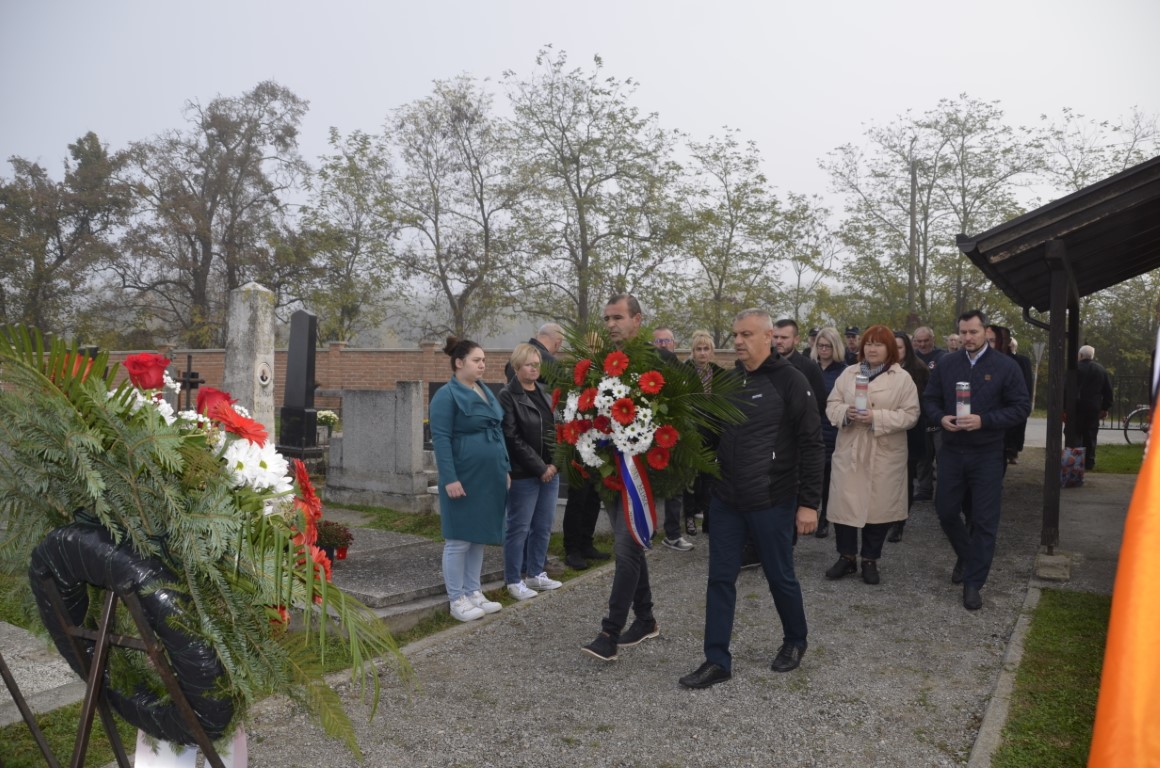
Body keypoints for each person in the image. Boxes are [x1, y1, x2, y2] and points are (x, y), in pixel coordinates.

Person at [678, 308, 823, 688]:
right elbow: (712, 435)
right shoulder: (729, 381)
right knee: (719, 579)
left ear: (768, 337)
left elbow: (812, 444)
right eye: (735, 335)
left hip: (772, 499)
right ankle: (716, 660)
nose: (738, 341)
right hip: (727, 500)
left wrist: (809, 503)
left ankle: (795, 640)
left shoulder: (791, 381)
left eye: (746, 334)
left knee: (780, 576)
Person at [581, 294, 678, 661]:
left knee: (625, 548)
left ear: (637, 319)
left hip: (644, 475)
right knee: (632, 547)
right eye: (607, 318)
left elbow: (678, 416)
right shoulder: (602, 364)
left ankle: (609, 632)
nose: (610, 324)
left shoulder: (661, 362)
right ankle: (647, 619)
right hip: (610, 473)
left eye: (617, 317)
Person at [922, 310, 1030, 611]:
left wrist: (985, 420)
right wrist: (940, 418)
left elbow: (1021, 407)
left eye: (973, 332)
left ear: (985, 332)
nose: (968, 338)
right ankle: (969, 557)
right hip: (952, 450)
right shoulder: (947, 364)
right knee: (945, 511)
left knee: (984, 520)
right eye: (963, 332)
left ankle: (973, 583)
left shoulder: (1005, 366)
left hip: (987, 452)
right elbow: (929, 399)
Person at [823, 325, 919, 585]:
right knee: (844, 505)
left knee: (878, 508)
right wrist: (846, 412)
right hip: (851, 448)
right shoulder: (848, 373)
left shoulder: (902, 378)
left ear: (890, 349)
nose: (872, 349)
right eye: (868, 343)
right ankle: (846, 557)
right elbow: (832, 403)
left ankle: (870, 559)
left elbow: (911, 415)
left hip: (883, 450)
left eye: (878, 344)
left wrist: (876, 417)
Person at [429, 337, 511, 622]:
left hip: (489, 476)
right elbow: (441, 439)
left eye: (484, 360)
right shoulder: (446, 396)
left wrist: (505, 468)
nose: (482, 365)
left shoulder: (483, 390)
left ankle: (473, 591)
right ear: (459, 362)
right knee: (459, 538)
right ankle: (457, 599)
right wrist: (449, 478)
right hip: (463, 476)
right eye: (477, 360)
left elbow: (497, 431)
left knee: (478, 537)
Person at [499, 343, 563, 601]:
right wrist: (539, 468)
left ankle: (535, 573)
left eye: (537, 365)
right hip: (525, 473)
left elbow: (559, 431)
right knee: (519, 528)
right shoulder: (508, 396)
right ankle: (513, 580)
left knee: (543, 525)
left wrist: (554, 465)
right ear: (516, 367)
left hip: (551, 472)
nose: (534, 369)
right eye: (528, 365)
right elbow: (512, 437)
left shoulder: (546, 393)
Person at [652, 326, 694, 551]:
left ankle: (673, 535)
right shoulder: (648, 368)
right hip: (652, 436)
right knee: (649, 486)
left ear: (674, 343)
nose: (663, 345)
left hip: (677, 434)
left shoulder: (684, 369)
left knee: (676, 487)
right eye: (659, 342)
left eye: (666, 341)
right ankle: (645, 534)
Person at [887, 331, 930, 543]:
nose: (895, 351)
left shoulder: (919, 369)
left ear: (907, 349)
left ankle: (899, 523)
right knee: (886, 478)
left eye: (899, 347)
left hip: (910, 432)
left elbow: (923, 402)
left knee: (905, 479)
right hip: (885, 430)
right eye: (892, 347)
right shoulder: (878, 367)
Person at [683, 329, 723, 537]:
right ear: (693, 351)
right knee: (691, 479)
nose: (702, 353)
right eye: (698, 349)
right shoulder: (684, 372)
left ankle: (709, 518)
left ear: (712, 351)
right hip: (691, 433)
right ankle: (689, 517)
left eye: (706, 348)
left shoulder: (719, 373)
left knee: (709, 479)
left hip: (712, 434)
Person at [809, 326, 847, 538]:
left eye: (828, 346)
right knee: (810, 475)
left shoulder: (844, 372)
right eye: (820, 345)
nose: (823, 349)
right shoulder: (809, 367)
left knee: (828, 476)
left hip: (832, 429)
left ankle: (825, 517)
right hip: (810, 428)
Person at [987, 325, 1034, 465]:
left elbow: (1026, 387)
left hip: (1010, 411)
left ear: (1008, 341)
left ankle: (1011, 452)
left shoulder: (1019, 362)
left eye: (1003, 338)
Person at [912, 326, 946, 502]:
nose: (923, 344)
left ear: (933, 339)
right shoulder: (911, 358)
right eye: (919, 341)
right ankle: (924, 489)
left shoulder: (943, 357)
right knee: (922, 455)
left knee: (942, 455)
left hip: (939, 414)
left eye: (926, 340)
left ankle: (944, 491)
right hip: (919, 414)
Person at [1068, 345, 1113, 470]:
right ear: (1092, 356)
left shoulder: (1074, 368)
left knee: (1075, 434)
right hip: (1093, 408)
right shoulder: (1101, 370)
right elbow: (1108, 391)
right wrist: (1105, 407)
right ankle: (1089, 462)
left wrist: (1064, 408)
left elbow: (1066, 389)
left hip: (1076, 407)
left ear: (1081, 355)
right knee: (1090, 435)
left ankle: (1075, 462)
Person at [773, 319, 827, 420]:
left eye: (784, 337)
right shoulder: (763, 365)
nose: (778, 341)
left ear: (796, 340)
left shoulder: (810, 367)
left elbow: (820, 404)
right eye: (775, 337)